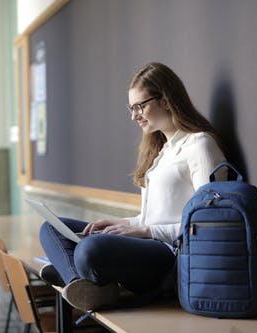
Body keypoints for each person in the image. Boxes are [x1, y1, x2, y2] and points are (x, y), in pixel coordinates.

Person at [39, 62, 226, 311]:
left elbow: (209, 224)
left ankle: (78, 272)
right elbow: (152, 217)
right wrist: (122, 224)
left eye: (140, 106)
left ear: (167, 100)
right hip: (149, 244)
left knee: (90, 249)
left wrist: (146, 232)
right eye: (131, 107)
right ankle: (82, 284)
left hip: (173, 255)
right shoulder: (161, 151)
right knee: (51, 227)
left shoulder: (200, 146)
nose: (133, 115)